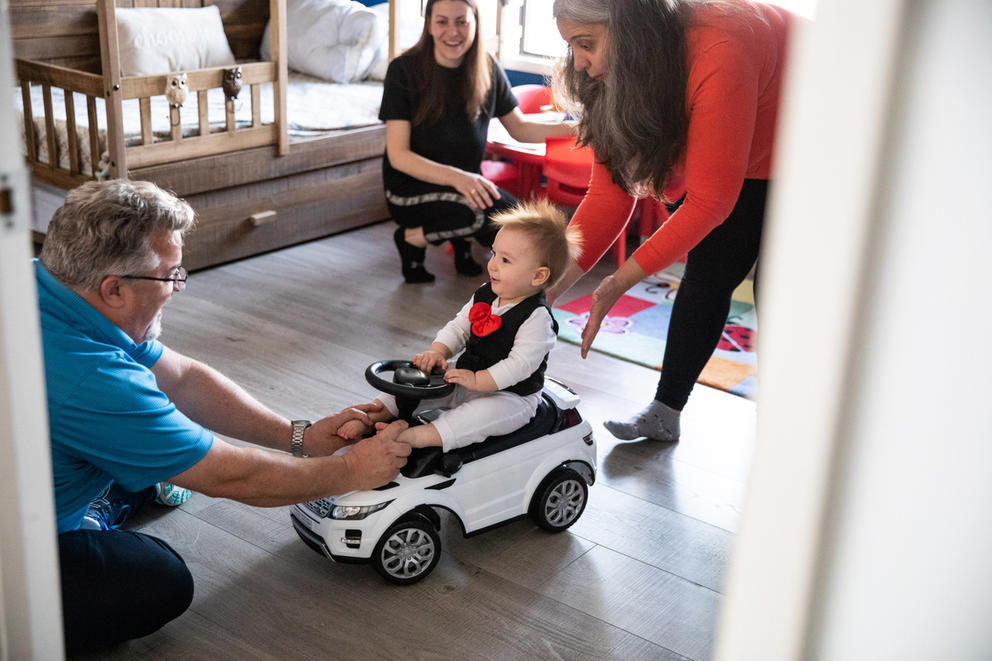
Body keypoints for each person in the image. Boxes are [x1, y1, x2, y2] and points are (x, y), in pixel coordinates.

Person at [35, 179, 412, 653]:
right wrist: (350, 470)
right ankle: (89, 519)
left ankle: (105, 495)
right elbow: (231, 478)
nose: (177, 287)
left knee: (137, 450)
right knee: (159, 580)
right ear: (114, 289)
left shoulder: (47, 284)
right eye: (171, 275)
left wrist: (301, 437)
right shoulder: (89, 376)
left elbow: (183, 377)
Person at [548, 0, 795, 442]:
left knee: (780, 294)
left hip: (812, 134)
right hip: (751, 141)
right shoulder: (608, 76)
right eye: (572, 47)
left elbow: (709, 203)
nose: (580, 65)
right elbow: (608, 196)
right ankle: (666, 411)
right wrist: (542, 290)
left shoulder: (719, 46)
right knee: (709, 272)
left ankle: (785, 435)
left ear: (632, 34)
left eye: (586, 44)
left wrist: (615, 283)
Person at [338, 199, 581, 450]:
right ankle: (371, 416)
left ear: (538, 276)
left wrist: (479, 381)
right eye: (494, 253)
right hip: (466, 375)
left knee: (477, 418)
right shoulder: (486, 293)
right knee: (414, 382)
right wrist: (438, 351)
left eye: (506, 260)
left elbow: (519, 366)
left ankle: (410, 437)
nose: (493, 263)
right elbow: (460, 327)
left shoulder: (537, 318)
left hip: (510, 395)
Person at [379, 0, 573, 284]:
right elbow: (398, 156)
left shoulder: (487, 68)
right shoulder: (403, 70)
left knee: (525, 229)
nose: (452, 31)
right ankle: (412, 238)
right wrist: (459, 178)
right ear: (429, 24)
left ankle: (469, 249)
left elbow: (520, 128)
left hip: (468, 184)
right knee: (478, 216)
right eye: (442, 21)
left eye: (462, 21)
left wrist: (578, 129)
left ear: (475, 24)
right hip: (410, 190)